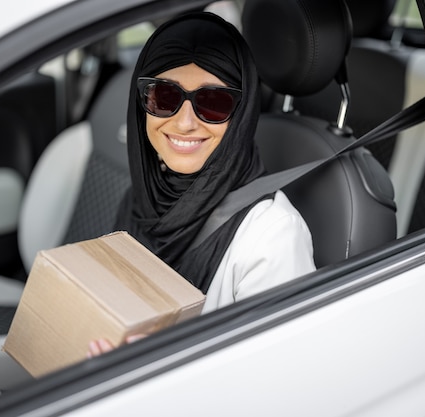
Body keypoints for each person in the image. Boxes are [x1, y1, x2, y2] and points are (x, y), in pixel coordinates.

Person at [87, 11, 315, 357]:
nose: (185, 122)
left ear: (242, 113)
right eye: (163, 97)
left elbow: (278, 374)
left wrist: (163, 363)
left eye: (213, 103)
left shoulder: (272, 236)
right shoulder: (143, 195)